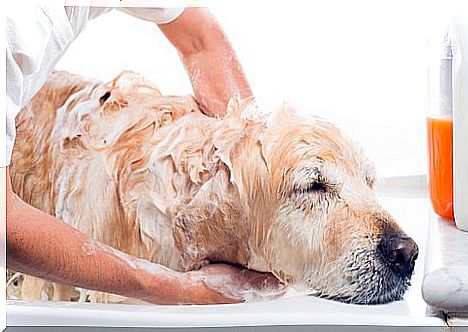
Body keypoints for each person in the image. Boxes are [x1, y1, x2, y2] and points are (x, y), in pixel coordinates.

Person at [5, 5, 285, 304]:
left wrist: (249, 147)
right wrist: (180, 290)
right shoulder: (13, 33)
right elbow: (4, 227)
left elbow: (198, 38)